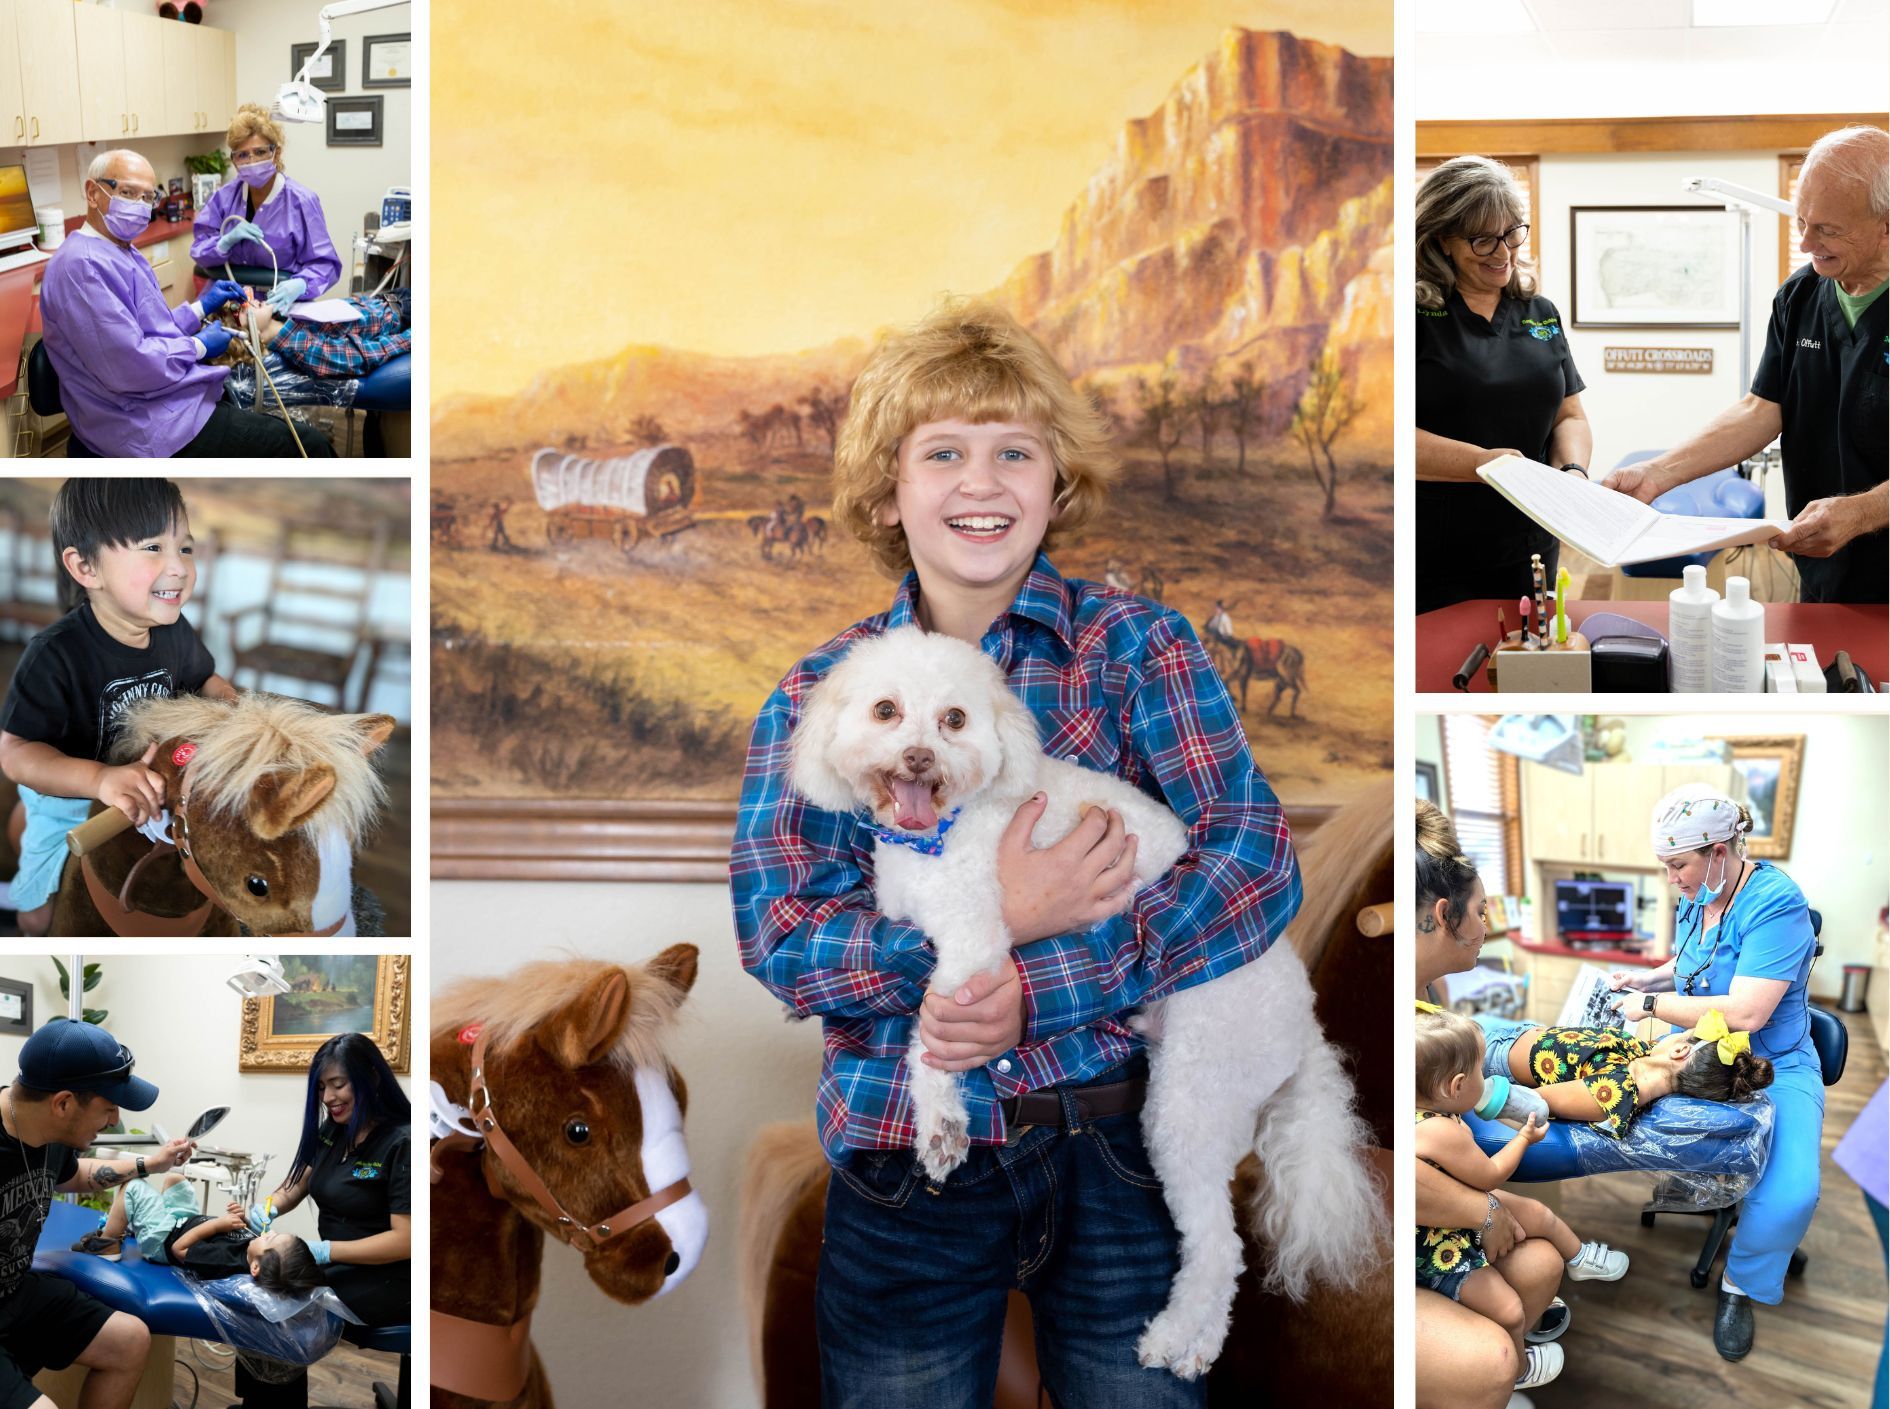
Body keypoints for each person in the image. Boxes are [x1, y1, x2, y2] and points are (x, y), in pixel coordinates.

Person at [732, 301, 1301, 1406]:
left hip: (1118, 1139)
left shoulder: (1138, 647)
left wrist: (1037, 983)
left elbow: (1254, 861)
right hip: (904, 1154)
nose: (980, 483)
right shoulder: (821, 691)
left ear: (1058, 483)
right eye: (942, 452)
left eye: (1014, 453)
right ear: (889, 489)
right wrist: (993, 922)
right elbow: (784, 933)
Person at [1603, 126, 1888, 603]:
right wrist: (1659, 473)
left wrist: (1860, 513)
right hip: (1824, 564)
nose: (1806, 244)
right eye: (1802, 223)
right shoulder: (1801, 295)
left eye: (1828, 230)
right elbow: (1762, 409)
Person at [1604, 784, 1824, 1360]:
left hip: (1774, 1061)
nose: (1671, 878)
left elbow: (1748, 1011)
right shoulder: (1699, 892)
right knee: (1620, 1113)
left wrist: (1651, 1009)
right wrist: (1648, 979)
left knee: (1791, 1194)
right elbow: (1695, 958)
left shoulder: (1776, 902)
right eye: (1666, 867)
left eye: (1678, 864)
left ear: (1719, 852)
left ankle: (1740, 1285)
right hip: (1704, 1046)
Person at [0, 479, 236, 936]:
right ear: (86, 567)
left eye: (185, 549)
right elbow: (16, 751)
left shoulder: (174, 631)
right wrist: (100, 779)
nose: (179, 567)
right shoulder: (55, 654)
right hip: (69, 797)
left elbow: (207, 681)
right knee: (39, 914)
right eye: (153, 547)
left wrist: (231, 711)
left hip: (156, 787)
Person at [36, 150, 335, 459]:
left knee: (246, 413)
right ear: (92, 193)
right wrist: (199, 346)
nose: (139, 205)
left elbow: (151, 329)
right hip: (138, 423)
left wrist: (201, 308)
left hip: (163, 396)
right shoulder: (82, 267)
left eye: (147, 197)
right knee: (309, 447)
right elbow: (129, 364)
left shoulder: (120, 250)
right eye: (127, 192)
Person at [1415, 801, 1566, 1408]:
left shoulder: (1431, 995)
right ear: (1444, 915)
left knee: (1544, 1258)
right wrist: (1482, 1209)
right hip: (1408, 1234)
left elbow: (1473, 1078)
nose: (1486, 924)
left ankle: (1491, 1388)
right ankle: (1492, 1375)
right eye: (1480, 912)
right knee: (1496, 1344)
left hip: (1444, 1199)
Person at [1415, 156, 1593, 613]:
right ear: (1442, 241)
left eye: (1513, 233)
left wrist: (1573, 472)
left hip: (1531, 539)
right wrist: (1485, 463)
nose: (1503, 253)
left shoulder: (1540, 313)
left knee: (1526, 662)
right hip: (1437, 551)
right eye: (1482, 240)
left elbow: (1569, 414)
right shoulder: (1414, 318)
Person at [1414, 1007, 1628, 1371]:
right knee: (1510, 1312)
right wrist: (1524, 1137)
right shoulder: (1439, 1131)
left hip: (1454, 1207)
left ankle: (1578, 1258)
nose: (1486, 1080)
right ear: (1455, 1087)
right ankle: (1517, 1369)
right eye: (1480, 1073)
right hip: (1439, 1246)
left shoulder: (1427, 1109)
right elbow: (1490, 1175)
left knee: (1540, 1214)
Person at [0, 1020, 197, 1409]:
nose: (113, 1121)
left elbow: (76, 1175)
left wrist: (151, 1164)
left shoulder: (49, 1131)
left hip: (14, 1294)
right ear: (63, 1103)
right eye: (108, 1109)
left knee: (129, 1340)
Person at [234, 1033, 410, 1407]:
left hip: (392, 1276)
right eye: (322, 1088)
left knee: (282, 1303)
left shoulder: (401, 1143)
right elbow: (296, 1185)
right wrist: (271, 1205)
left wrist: (325, 1250)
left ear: (372, 1078)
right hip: (339, 1267)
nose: (329, 1098)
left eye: (338, 1084)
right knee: (260, 1291)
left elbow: (406, 1241)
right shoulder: (334, 1131)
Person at [191, 104, 342, 316]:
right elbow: (199, 250)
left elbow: (326, 265)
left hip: (279, 305)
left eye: (260, 152)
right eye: (242, 155)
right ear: (234, 160)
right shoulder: (223, 198)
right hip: (227, 304)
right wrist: (223, 243)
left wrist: (300, 284)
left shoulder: (302, 201)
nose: (251, 161)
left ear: (276, 153)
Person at [76, 1181, 322, 1294]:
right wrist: (240, 1220)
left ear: (255, 1267)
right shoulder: (251, 1249)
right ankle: (137, 1221)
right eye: (275, 1233)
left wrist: (217, 1225)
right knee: (175, 1180)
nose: (268, 1232)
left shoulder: (224, 1260)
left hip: (164, 1238)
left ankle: (107, 1243)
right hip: (183, 1221)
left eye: (270, 1239)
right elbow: (239, 1233)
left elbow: (179, 1249)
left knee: (131, 1187)